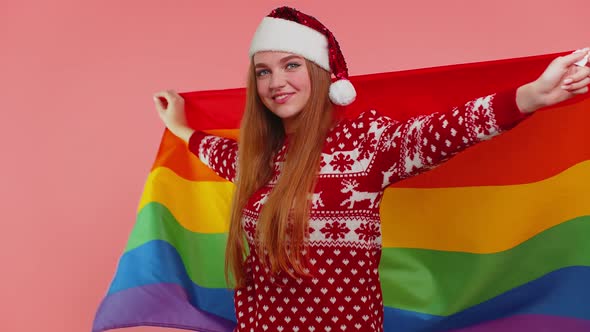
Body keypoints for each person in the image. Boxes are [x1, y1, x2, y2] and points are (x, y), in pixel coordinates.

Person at [153, 6, 590, 332]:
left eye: (291, 65)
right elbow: (215, 152)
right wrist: (179, 127)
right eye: (263, 71)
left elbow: (442, 131)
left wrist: (530, 97)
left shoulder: (366, 144)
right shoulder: (257, 159)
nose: (275, 82)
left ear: (323, 74)